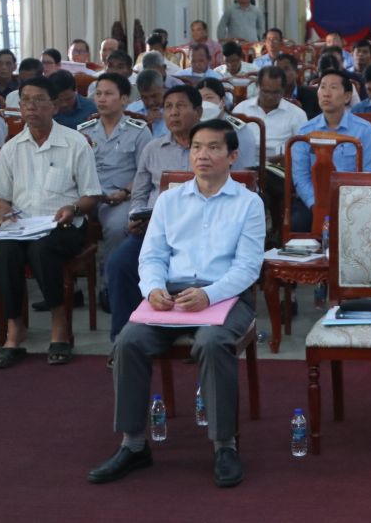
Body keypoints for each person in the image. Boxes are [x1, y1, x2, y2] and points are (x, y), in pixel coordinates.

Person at [88, 119, 264, 489]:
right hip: (172, 296)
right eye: (197, 147)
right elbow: (152, 255)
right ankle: (134, 444)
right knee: (128, 341)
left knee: (212, 343)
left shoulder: (249, 203)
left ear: (232, 156)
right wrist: (152, 288)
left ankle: (225, 446)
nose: (203, 155)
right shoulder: (169, 200)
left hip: (225, 295)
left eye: (214, 147)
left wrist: (209, 295)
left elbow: (248, 268)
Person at [0, 76, 103, 368]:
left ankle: (59, 326)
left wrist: (72, 208)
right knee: (5, 251)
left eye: (39, 100)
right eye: (25, 100)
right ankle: (14, 331)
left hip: (65, 226)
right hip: (22, 227)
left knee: (42, 249)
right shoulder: (12, 147)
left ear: (54, 106)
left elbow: (91, 195)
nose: (31, 106)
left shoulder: (75, 143)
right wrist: (2, 211)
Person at [106, 86, 205, 341]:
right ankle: (123, 340)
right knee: (119, 264)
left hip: (200, 233)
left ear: (198, 112)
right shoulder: (153, 148)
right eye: (168, 107)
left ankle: (192, 329)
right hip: (155, 230)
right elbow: (139, 194)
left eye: (180, 106)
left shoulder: (210, 149)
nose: (173, 112)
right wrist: (135, 216)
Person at [78, 72, 153, 267]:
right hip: (87, 194)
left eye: (108, 94)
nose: (101, 99)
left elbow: (144, 172)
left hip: (120, 197)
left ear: (124, 99)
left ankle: (111, 280)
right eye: (98, 94)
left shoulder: (139, 131)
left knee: (117, 227)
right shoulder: (84, 131)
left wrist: (126, 192)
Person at [289, 69, 371, 232]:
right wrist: (316, 204)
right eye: (322, 87)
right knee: (298, 223)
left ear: (347, 97)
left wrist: (348, 205)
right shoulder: (305, 131)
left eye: (333, 87)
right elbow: (300, 176)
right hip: (314, 200)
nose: (326, 93)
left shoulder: (364, 130)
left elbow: (368, 174)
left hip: (353, 201)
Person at [233, 66, 309, 165]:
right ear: (257, 86)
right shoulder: (241, 109)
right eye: (266, 92)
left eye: (276, 92)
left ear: (284, 89)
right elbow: (229, 137)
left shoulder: (297, 114)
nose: (270, 97)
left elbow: (303, 149)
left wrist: (288, 157)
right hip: (243, 164)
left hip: (280, 167)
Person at [196, 79, 260, 171]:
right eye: (200, 99)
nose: (204, 103)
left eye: (209, 98)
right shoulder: (193, 124)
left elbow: (245, 167)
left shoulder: (237, 126)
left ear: (222, 101)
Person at [275, 53, 320, 119]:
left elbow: (320, 121)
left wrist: (300, 113)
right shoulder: (269, 98)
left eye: (286, 69)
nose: (281, 73)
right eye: (277, 70)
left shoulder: (314, 95)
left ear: (297, 73)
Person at [127, 70, 167, 136]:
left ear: (163, 88)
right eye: (144, 97)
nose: (150, 102)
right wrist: (145, 122)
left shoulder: (176, 111)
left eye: (154, 96)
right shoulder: (132, 111)